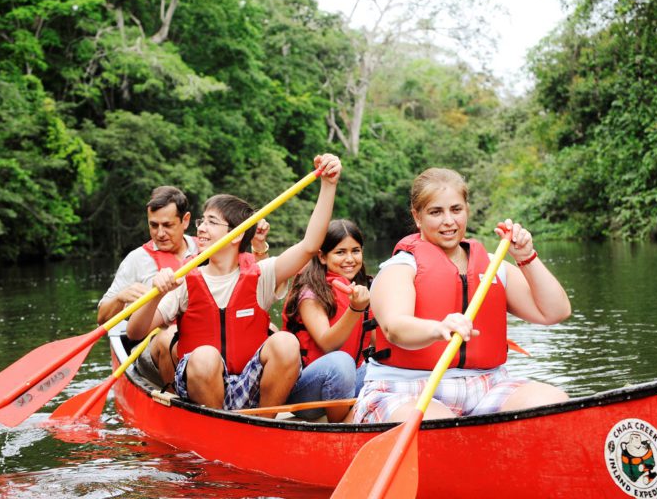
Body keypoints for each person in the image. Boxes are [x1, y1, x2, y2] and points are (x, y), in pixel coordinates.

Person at [126, 154, 342, 417]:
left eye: (211, 222)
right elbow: (135, 333)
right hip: (202, 386)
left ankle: (263, 426)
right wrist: (156, 295)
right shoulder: (185, 279)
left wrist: (328, 185)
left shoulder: (262, 274)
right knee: (204, 355)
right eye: (201, 221)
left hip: (248, 384)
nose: (201, 229)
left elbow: (309, 246)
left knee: (285, 342)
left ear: (237, 234)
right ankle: (218, 428)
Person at [353, 167, 571, 424]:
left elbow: (555, 312)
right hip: (406, 389)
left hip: (486, 387)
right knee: (441, 427)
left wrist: (526, 257)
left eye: (456, 209)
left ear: (466, 209)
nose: (449, 221)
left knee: (553, 403)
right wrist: (438, 328)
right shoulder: (400, 268)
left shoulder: (493, 266)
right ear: (418, 216)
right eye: (436, 212)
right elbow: (395, 329)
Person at [97, 185, 271, 389]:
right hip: (151, 342)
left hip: (205, 338)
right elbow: (102, 318)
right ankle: (177, 400)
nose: (160, 233)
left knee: (270, 329)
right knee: (168, 337)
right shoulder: (136, 260)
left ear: (185, 220)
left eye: (167, 225)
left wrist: (259, 246)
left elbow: (254, 277)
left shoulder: (210, 246)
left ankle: (242, 390)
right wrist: (120, 298)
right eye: (153, 225)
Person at [282, 219, 375, 422]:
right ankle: (342, 427)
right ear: (322, 257)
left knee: (387, 367)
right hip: (308, 393)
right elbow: (328, 344)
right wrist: (355, 309)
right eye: (340, 252)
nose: (350, 259)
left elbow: (380, 340)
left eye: (355, 251)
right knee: (341, 362)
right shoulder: (310, 293)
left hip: (349, 382)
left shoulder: (365, 288)